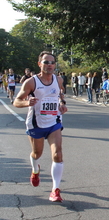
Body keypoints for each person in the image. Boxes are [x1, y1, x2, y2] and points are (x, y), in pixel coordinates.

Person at [13, 51, 68, 202]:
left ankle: (55, 190)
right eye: (46, 62)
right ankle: (35, 170)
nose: (49, 65)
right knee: (37, 153)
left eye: (52, 62)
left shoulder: (58, 80)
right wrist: (26, 103)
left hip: (54, 123)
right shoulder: (31, 82)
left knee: (58, 154)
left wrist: (62, 104)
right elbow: (16, 101)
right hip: (36, 124)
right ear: (39, 64)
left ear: (55, 65)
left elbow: (60, 95)